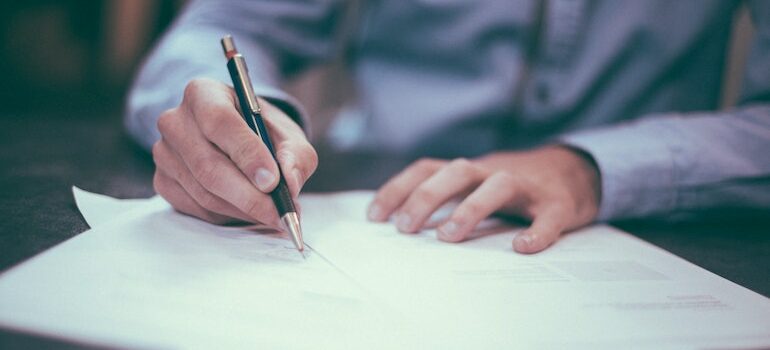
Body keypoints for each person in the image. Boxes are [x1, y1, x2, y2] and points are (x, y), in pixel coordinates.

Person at [126, 1, 770, 254]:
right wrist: (244, 117)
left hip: (650, 229)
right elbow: (224, 26)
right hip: (376, 204)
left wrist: (591, 166)